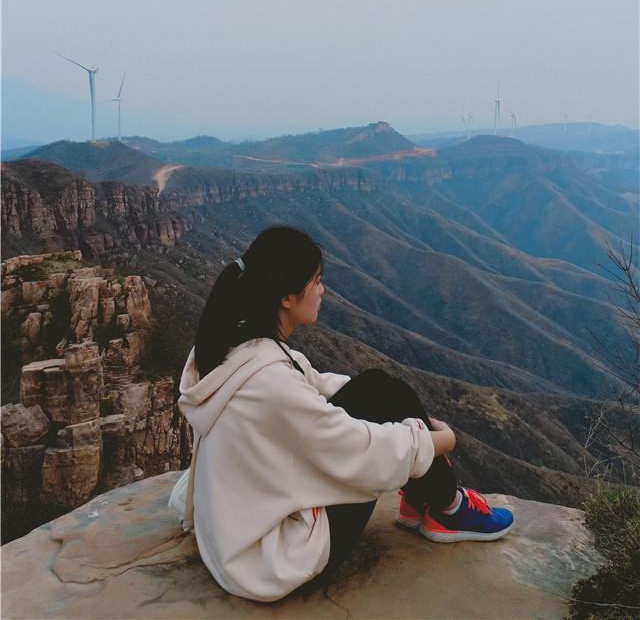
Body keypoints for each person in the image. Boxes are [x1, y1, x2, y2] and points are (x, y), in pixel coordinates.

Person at [177, 225, 513, 603]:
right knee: (382, 409)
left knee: (379, 388)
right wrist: (440, 442)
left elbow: (312, 386)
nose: (323, 291)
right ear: (286, 297)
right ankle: (448, 507)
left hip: (237, 534)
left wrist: (396, 412)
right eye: (317, 281)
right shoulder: (271, 383)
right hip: (275, 561)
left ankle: (429, 499)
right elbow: (362, 452)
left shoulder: (235, 344)